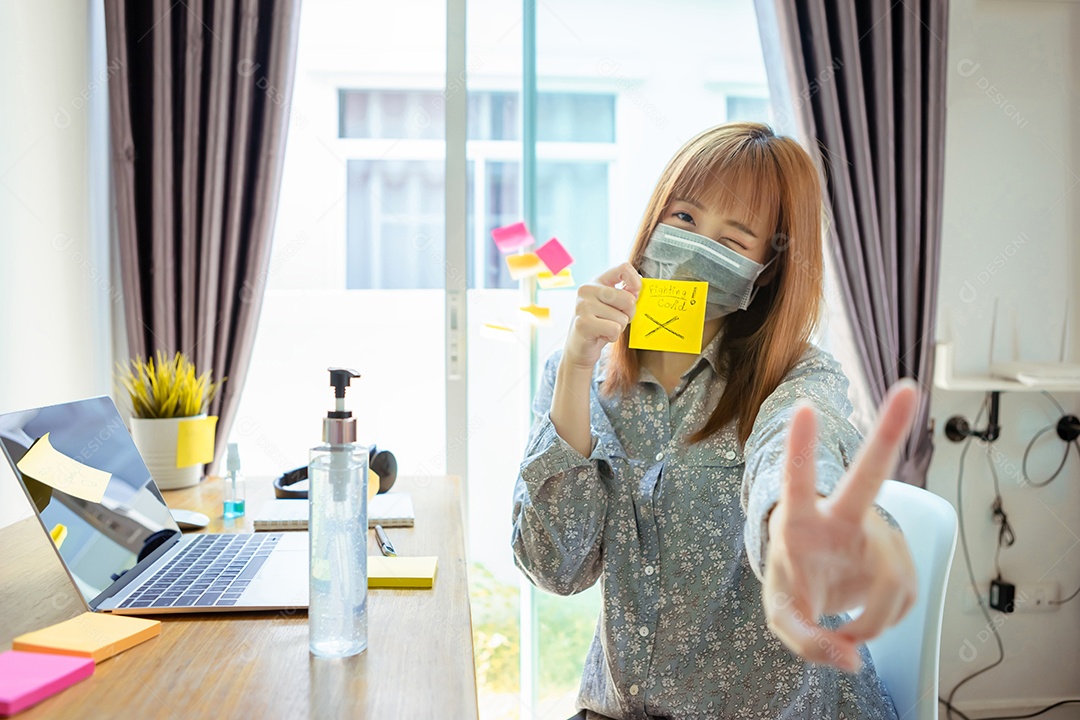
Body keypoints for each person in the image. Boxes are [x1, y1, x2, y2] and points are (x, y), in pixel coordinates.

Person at [511, 122, 919, 720]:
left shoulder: (797, 377)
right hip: (621, 708)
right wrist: (575, 367)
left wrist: (796, 525)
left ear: (766, 272)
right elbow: (553, 566)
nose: (699, 247)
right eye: (684, 218)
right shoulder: (578, 369)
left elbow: (798, 447)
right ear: (653, 221)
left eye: (734, 239)